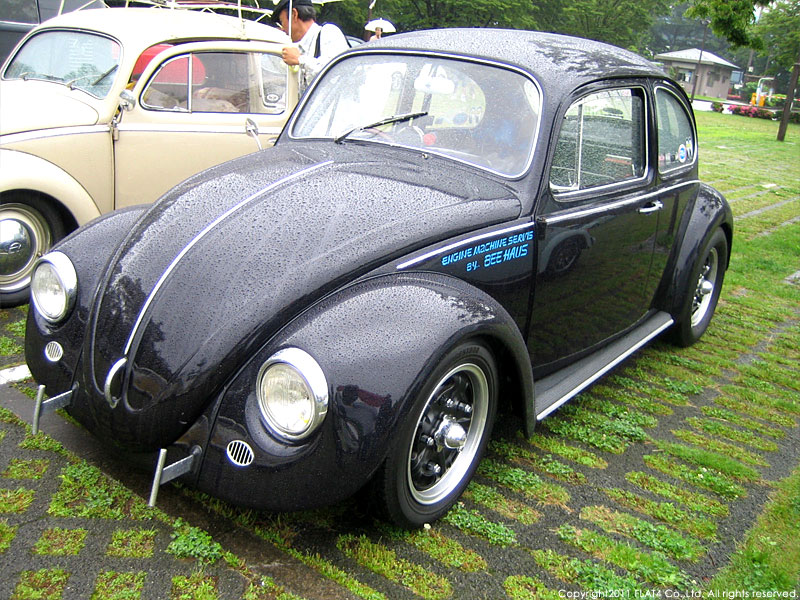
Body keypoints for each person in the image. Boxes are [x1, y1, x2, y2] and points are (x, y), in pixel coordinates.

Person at [271, 0, 348, 92]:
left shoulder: (329, 32)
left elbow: (335, 73)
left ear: (294, 14)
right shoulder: (297, 47)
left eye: (282, 22)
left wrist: (300, 60)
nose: (283, 29)